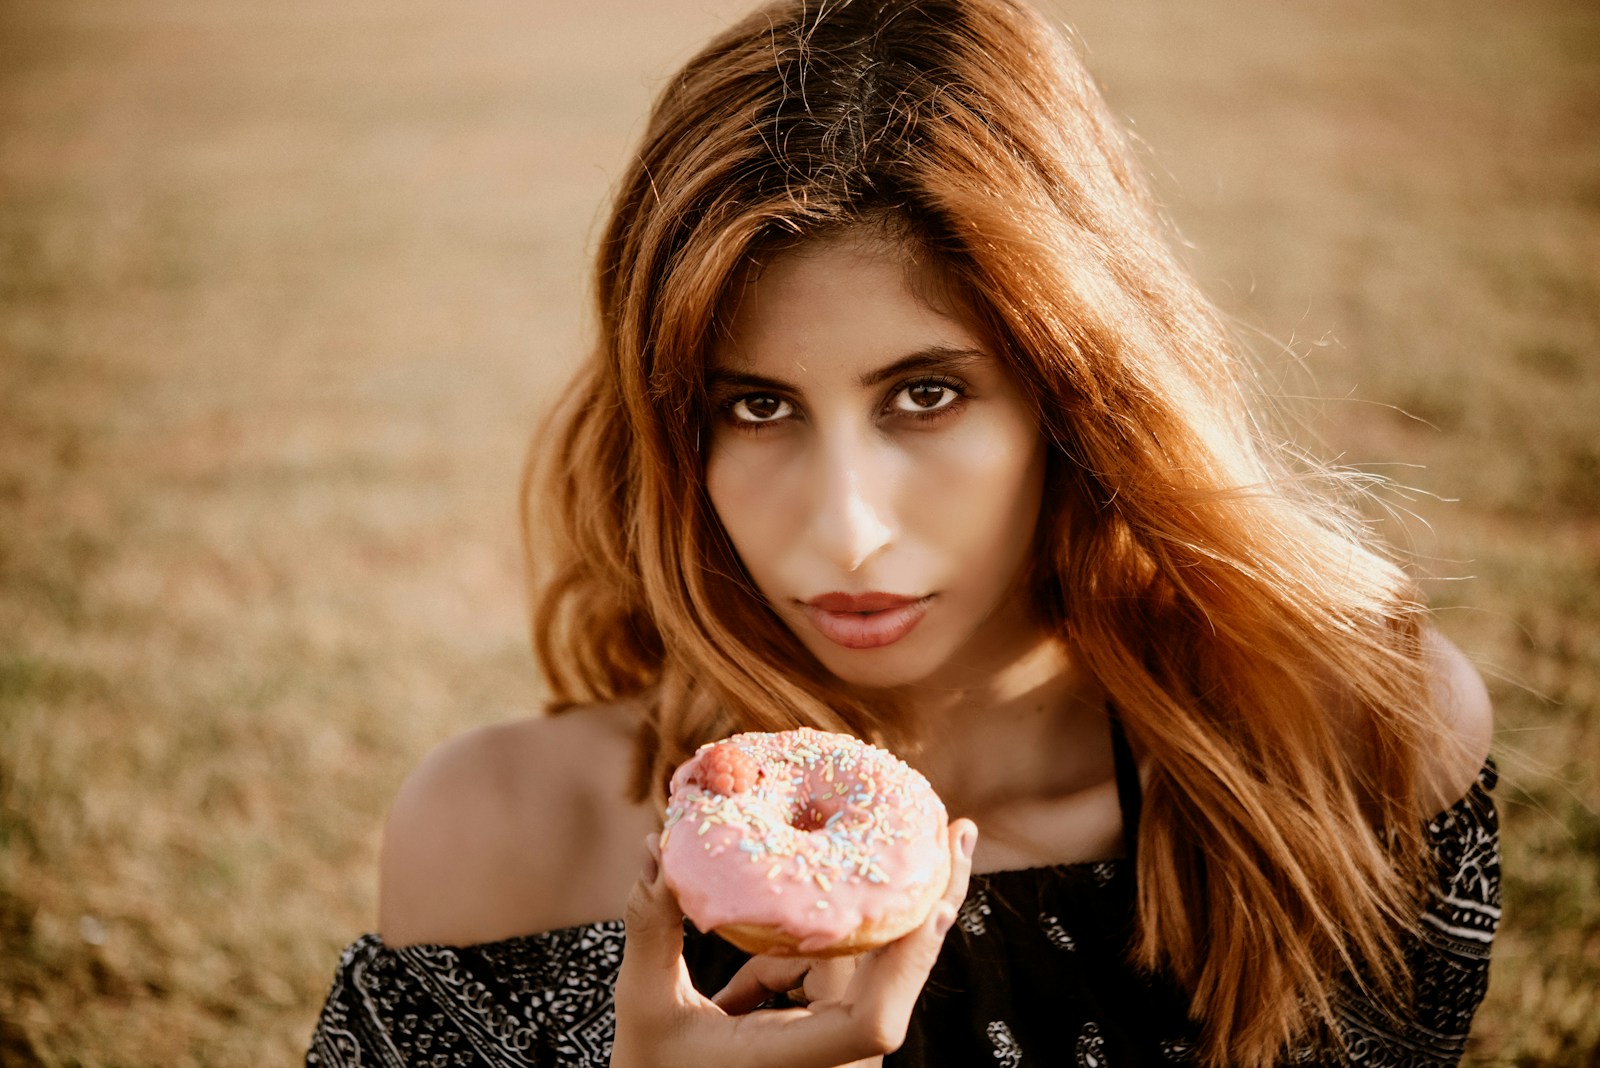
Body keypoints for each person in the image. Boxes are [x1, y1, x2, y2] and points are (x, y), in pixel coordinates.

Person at [305, 0, 1500, 1065]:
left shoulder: (1342, 763)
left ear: (1078, 396)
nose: (848, 533)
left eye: (925, 395)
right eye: (756, 404)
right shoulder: (506, 843)